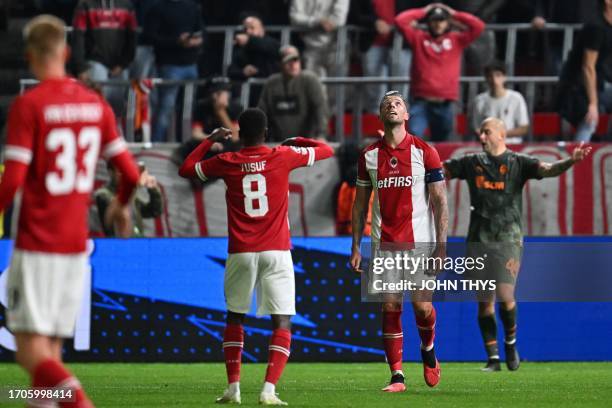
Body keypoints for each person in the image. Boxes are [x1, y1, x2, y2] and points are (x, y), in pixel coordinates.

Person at [0, 15, 139, 407]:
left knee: (30, 353)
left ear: (29, 57)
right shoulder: (96, 106)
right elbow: (128, 172)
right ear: (65, 51)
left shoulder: (30, 106)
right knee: (50, 356)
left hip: (37, 243)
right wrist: (119, 206)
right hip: (76, 247)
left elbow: (12, 181)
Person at [178, 108, 334, 405]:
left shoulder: (227, 161)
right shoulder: (282, 155)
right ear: (265, 133)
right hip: (276, 250)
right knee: (282, 321)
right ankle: (268, 390)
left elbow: (187, 169)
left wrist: (210, 140)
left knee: (235, 317)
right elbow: (326, 150)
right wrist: (296, 140)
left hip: (241, 252)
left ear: (238, 132)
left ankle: (233, 388)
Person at [443, 117, 592, 371]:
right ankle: (492, 359)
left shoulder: (518, 162)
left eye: (487, 132)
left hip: (508, 238)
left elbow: (547, 169)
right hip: (479, 239)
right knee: (484, 302)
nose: (482, 137)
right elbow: (439, 170)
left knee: (505, 295)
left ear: (502, 134)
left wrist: (571, 161)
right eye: (480, 133)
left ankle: (510, 343)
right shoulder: (471, 162)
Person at [350, 91, 448, 392]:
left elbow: (440, 202)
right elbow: (359, 204)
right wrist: (355, 245)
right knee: (390, 306)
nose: (392, 106)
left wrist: (441, 245)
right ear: (381, 116)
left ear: (406, 115)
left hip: (421, 242)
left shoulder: (424, 151)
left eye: (398, 103)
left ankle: (428, 348)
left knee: (421, 308)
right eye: (386, 104)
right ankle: (397, 376)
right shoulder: (368, 156)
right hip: (384, 243)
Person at [395, 3, 484, 141]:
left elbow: (478, 26)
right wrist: (424, 10)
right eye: (434, 20)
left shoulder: (457, 40)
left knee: (442, 144)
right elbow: (400, 20)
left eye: (442, 20)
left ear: (448, 22)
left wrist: (453, 12)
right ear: (429, 21)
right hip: (421, 101)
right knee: (413, 139)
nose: (438, 24)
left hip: (445, 102)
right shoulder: (418, 38)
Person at [147, 0, 204, 142]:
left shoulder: (192, 7)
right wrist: (177, 41)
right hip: (169, 65)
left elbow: (202, 31)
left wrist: (197, 40)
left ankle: (185, 142)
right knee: (166, 107)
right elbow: (150, 36)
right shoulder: (158, 8)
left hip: (191, 64)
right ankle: (157, 143)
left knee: (188, 108)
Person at [557, 0, 612, 141]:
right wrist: (593, 103)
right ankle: (577, 159)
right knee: (589, 119)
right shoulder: (596, 27)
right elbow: (588, 67)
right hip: (576, 85)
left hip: (598, 81)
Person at [71, 0, 137, 117]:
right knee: (96, 107)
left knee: (118, 109)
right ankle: (98, 133)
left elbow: (132, 36)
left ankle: (115, 133)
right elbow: (78, 37)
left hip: (119, 66)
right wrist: (81, 67)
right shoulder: (85, 4)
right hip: (95, 63)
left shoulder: (127, 5)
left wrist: (123, 63)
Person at [258, 45, 329, 141]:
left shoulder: (309, 79)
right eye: (288, 61)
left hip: (306, 142)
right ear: (280, 63)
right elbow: (262, 112)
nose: (292, 64)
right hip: (279, 142)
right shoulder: (271, 83)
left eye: (295, 60)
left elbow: (320, 107)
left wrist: (321, 134)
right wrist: (257, 137)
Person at [95, 162, 163, 237]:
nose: (125, 175)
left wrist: (153, 190)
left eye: (127, 171)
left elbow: (154, 211)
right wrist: (134, 185)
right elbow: (119, 208)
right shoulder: (102, 194)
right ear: (111, 172)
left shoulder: (130, 194)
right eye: (120, 171)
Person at [227, 13, 281, 106]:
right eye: (245, 29)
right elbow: (231, 71)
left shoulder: (272, 43)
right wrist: (243, 72)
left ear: (261, 30)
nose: (248, 31)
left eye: (252, 28)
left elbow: (270, 48)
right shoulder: (242, 49)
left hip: (272, 93)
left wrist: (249, 41)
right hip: (250, 96)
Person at [470, 61, 529, 142]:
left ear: (504, 77)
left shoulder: (516, 98)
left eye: (498, 75)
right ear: (486, 78)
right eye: (490, 76)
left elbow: (524, 128)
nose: (494, 80)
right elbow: (476, 127)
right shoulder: (479, 100)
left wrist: (501, 134)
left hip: (512, 145)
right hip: (488, 146)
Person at [289, 0, 350, 78]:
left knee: (336, 86)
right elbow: (294, 17)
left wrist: (328, 23)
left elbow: (339, 19)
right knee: (313, 86)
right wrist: (318, 21)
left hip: (336, 47)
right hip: (309, 47)